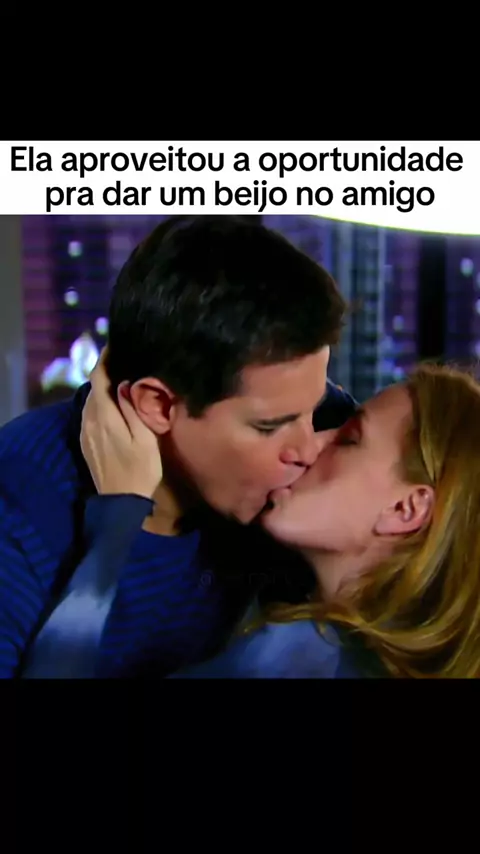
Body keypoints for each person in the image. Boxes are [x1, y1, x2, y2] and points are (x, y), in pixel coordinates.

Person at [0, 215, 355, 679]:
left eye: (314, 407)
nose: (309, 450)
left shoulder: (284, 427)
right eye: (271, 426)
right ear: (157, 405)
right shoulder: (18, 513)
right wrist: (116, 525)